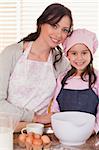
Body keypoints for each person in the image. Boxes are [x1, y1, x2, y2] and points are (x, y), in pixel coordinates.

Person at [0, 3, 73, 131]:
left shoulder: (61, 63)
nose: (58, 34)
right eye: (54, 26)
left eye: (64, 30)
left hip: (38, 132)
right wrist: (35, 118)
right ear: (41, 23)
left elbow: (80, 85)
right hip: (5, 131)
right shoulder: (12, 53)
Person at [50, 29, 99, 133]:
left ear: (91, 54)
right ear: (67, 55)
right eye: (74, 53)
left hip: (89, 132)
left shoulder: (97, 78)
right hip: (65, 132)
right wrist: (58, 127)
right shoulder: (62, 79)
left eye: (84, 53)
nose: (79, 58)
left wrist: (95, 129)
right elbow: (55, 107)